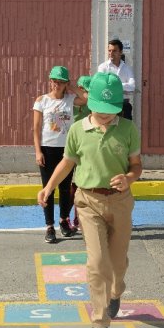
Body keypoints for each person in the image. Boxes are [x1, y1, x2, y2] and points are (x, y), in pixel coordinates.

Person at [37, 72, 142, 328]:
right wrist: (48, 188)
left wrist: (128, 178)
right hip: (88, 201)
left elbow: (136, 165)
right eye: (100, 109)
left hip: (119, 202)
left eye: (111, 110)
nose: (106, 115)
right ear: (89, 102)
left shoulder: (128, 129)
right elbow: (67, 163)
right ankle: (100, 321)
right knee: (97, 263)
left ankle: (117, 291)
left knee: (117, 265)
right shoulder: (77, 130)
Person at [33, 65, 87, 244]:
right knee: (48, 188)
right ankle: (49, 226)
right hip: (47, 148)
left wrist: (71, 88)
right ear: (49, 81)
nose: (57, 85)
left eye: (61, 82)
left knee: (65, 188)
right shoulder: (42, 101)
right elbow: (36, 128)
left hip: (66, 149)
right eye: (54, 81)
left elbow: (86, 99)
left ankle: (64, 220)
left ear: (66, 83)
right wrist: (38, 151)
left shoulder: (71, 99)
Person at [70, 75, 92, 231]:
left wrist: (74, 88)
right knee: (71, 187)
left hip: (85, 148)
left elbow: (86, 98)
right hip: (70, 146)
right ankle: (69, 216)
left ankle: (78, 218)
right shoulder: (70, 101)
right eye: (82, 88)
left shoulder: (90, 104)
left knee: (81, 185)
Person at [97, 39, 136, 120]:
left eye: (114, 51)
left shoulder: (127, 68)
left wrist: (113, 85)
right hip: (107, 105)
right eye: (109, 50)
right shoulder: (102, 67)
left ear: (121, 52)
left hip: (123, 105)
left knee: (125, 130)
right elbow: (102, 86)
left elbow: (132, 87)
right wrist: (123, 87)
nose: (111, 53)